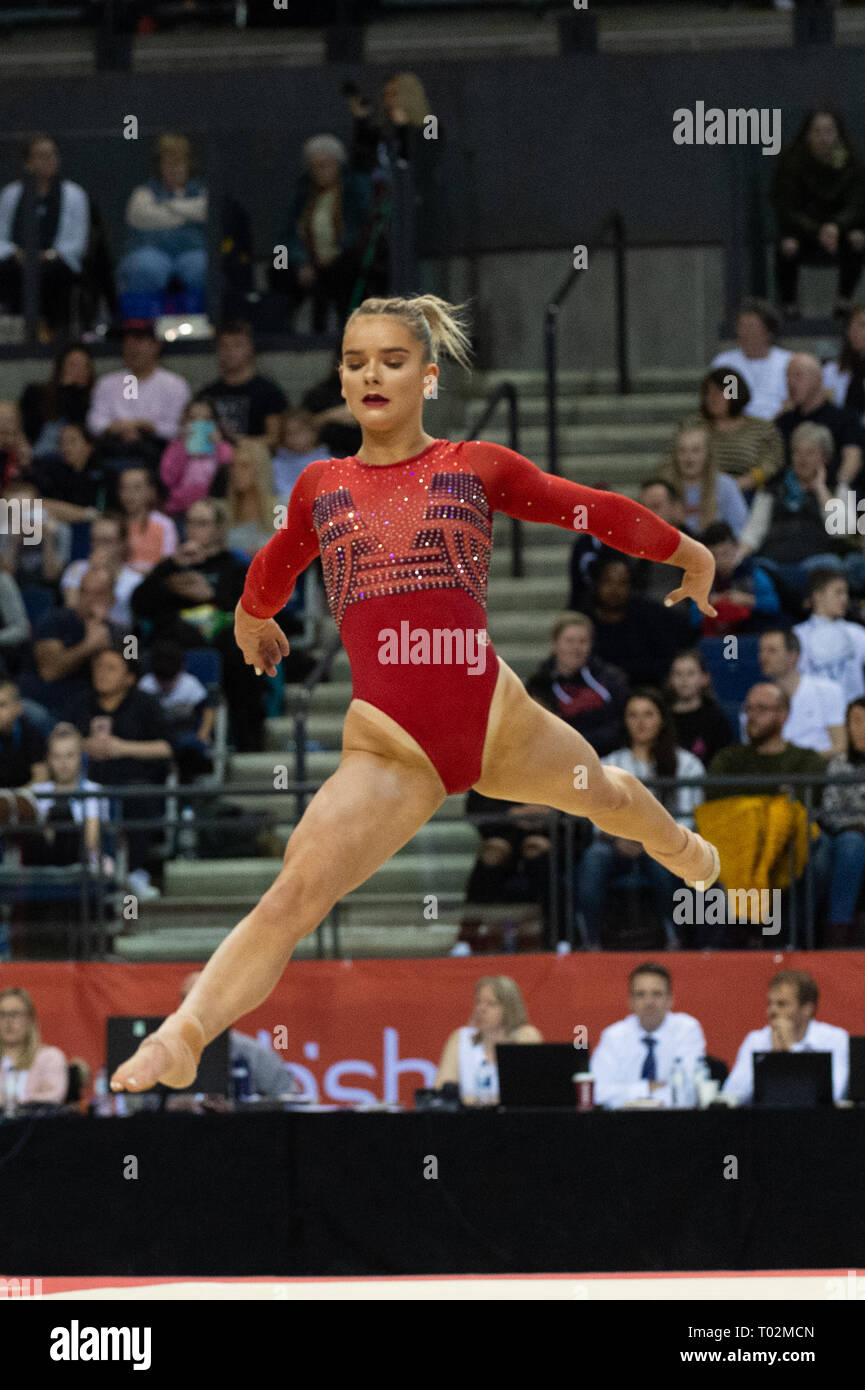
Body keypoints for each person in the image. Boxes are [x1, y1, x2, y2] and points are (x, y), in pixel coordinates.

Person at [109, 293, 721, 1094]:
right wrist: (251, 618)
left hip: (495, 715)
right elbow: (274, 561)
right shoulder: (322, 486)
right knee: (295, 891)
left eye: (392, 361)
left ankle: (680, 849)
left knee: (604, 794)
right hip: (392, 750)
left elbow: (586, 508)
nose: (372, 374)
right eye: (356, 361)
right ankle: (186, 1033)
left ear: (428, 377)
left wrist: (686, 552)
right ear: (339, 376)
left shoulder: (474, 467)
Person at [130, 497, 264, 752]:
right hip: (174, 642)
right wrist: (171, 566)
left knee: (243, 653)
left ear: (219, 528)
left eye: (202, 523)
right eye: (190, 523)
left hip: (222, 641)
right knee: (154, 639)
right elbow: (139, 604)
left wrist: (210, 595)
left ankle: (247, 741)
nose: (193, 529)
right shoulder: (172, 566)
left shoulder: (234, 567)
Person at [575, 688, 705, 949]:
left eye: (648, 714)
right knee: (594, 857)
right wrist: (618, 837)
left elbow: (689, 819)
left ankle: (674, 938)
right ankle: (590, 941)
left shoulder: (687, 764)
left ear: (662, 720)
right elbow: (595, 813)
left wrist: (648, 841)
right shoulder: (609, 763)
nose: (640, 722)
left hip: (666, 847)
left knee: (662, 863)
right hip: (616, 844)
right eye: (633, 715)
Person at [66, 645, 173, 896]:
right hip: (87, 783)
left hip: (133, 782)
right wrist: (83, 745)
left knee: (138, 797)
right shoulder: (81, 702)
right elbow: (59, 738)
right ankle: (88, 873)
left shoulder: (145, 704)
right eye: (99, 666)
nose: (102, 673)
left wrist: (122, 747)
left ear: (129, 678)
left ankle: (133, 873)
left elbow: (167, 747)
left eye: (111, 668)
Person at [770, 108, 865, 322]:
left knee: (858, 240)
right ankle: (789, 304)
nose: (823, 138)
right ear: (807, 134)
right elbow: (787, 207)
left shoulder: (852, 162)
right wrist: (817, 230)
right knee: (787, 246)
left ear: (838, 134)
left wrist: (836, 226)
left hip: (840, 232)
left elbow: (857, 203)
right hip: (803, 234)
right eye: (817, 131)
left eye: (829, 131)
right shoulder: (792, 162)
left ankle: (844, 302)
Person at [271, 135, 372, 333]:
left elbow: (361, 229)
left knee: (345, 272)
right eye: (315, 166)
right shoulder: (302, 194)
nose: (320, 171)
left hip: (341, 259)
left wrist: (336, 255)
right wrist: (301, 262)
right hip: (309, 262)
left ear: (338, 164)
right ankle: (283, 331)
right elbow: (286, 234)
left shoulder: (352, 192)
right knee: (278, 267)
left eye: (326, 165)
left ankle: (344, 331)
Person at [735, 423, 850, 596]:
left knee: (831, 566)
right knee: (753, 571)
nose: (802, 459)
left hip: (817, 565)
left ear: (825, 457)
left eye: (810, 453)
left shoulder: (837, 487)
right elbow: (753, 532)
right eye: (797, 452)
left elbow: (842, 530)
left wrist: (820, 489)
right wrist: (737, 558)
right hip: (774, 563)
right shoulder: (772, 487)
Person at [0, 133, 89, 336]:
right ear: (28, 162)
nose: (48, 161)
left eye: (52, 155)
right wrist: (16, 253)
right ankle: (14, 335)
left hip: (57, 262)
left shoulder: (74, 195)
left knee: (52, 274)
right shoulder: (10, 194)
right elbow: (1, 235)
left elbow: (78, 243)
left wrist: (48, 255)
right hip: (18, 261)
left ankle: (57, 335)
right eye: (41, 155)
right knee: (11, 272)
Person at [589, 962, 707, 1110]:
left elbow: (688, 1092)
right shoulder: (613, 1036)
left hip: (675, 1122)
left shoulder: (687, 1029)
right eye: (640, 995)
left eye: (656, 994)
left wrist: (626, 1094)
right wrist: (647, 1088)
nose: (649, 1002)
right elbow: (597, 1092)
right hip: (622, 1124)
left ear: (670, 1000)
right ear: (630, 1002)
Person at [723, 970, 849, 1104]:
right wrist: (770, 1059)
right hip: (764, 1121)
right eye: (770, 1004)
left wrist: (792, 1052)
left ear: (807, 1009)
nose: (772, 1011)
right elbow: (730, 1095)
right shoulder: (756, 1040)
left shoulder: (835, 1039)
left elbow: (835, 1093)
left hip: (819, 1122)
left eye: (781, 1004)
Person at [117, 133, 208, 318]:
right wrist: (186, 213)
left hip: (193, 252)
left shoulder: (201, 191)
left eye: (179, 163)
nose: (174, 169)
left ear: (188, 164)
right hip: (150, 251)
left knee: (202, 267)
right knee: (144, 267)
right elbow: (140, 217)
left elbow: (204, 211)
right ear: (160, 166)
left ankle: (200, 328)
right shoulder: (143, 192)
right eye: (168, 163)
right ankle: (142, 330)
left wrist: (167, 205)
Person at [20, 564, 122, 719]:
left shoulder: (127, 634)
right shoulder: (53, 620)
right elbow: (49, 672)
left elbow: (131, 675)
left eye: (99, 594)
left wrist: (104, 643)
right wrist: (89, 645)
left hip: (91, 711)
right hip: (44, 704)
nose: (90, 600)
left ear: (112, 598)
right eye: (85, 592)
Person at [179, 970, 300, 1098]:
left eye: (204, 1000)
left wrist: (240, 1109)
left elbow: (290, 1101)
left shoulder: (257, 1055)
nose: (194, 1008)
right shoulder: (161, 1054)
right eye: (187, 999)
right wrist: (168, 1107)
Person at [525, 611, 628, 757]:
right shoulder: (539, 684)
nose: (576, 648)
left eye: (582, 641)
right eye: (569, 641)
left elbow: (621, 724)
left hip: (609, 758)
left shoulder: (612, 679)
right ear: (555, 644)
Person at [707, 683, 826, 807]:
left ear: (783, 714)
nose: (752, 715)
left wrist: (745, 797)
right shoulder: (727, 759)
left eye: (761, 708)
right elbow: (717, 804)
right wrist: (778, 794)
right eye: (749, 708)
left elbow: (799, 806)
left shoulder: (805, 760)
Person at [86, 324, 191, 465]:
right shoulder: (107, 383)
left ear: (156, 345)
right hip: (114, 448)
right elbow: (94, 422)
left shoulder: (175, 384)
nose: (132, 348)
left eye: (139, 341)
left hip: (159, 451)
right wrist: (120, 427)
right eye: (127, 343)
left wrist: (147, 427)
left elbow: (178, 428)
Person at [585, 555, 693, 687]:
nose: (614, 589)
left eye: (622, 583)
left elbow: (668, 658)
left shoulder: (650, 615)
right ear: (597, 583)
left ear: (631, 586)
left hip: (648, 690)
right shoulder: (584, 620)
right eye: (608, 581)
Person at [433, 976, 542, 1106]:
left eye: (491, 1003)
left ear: (509, 1009)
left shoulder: (526, 1037)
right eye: (478, 1002)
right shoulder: (460, 1039)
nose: (481, 1009)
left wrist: (472, 1100)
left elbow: (532, 1093)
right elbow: (442, 1091)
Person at [25, 723, 108, 871]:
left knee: (62, 814)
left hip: (82, 862)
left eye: (70, 755)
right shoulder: (36, 792)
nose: (63, 763)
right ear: (48, 759)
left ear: (81, 757)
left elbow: (91, 842)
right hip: (42, 862)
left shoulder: (94, 791)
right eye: (57, 756)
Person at [775, 352, 865, 488]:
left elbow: (852, 459)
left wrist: (838, 491)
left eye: (798, 375)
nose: (790, 382)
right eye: (787, 376)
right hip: (790, 495)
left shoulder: (845, 418)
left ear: (818, 379)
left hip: (832, 493)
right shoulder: (783, 421)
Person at [690, 367, 785, 493]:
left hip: (749, 493)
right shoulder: (693, 426)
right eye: (709, 392)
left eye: (720, 392)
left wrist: (744, 483)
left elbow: (772, 463)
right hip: (700, 492)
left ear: (735, 393)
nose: (713, 397)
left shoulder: (762, 428)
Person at [196, 321, 287, 451]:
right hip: (214, 463)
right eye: (224, 346)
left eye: (237, 345)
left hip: (254, 463)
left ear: (250, 348)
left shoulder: (269, 392)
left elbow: (274, 439)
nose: (230, 351)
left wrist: (233, 442)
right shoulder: (207, 394)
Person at [818, 696, 865, 945]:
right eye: (854, 721)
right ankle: (838, 929)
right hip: (845, 836)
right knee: (851, 843)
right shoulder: (839, 765)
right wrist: (858, 826)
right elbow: (830, 811)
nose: (860, 728)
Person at [758, 627, 846, 758]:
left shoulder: (828, 690)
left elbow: (841, 746)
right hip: (776, 772)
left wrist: (802, 763)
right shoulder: (757, 699)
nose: (763, 657)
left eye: (772, 651)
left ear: (793, 656)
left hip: (820, 771)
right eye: (761, 650)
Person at [139, 639, 215, 782]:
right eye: (161, 681)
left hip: (184, 732)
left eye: (170, 681)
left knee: (191, 755)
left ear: (180, 670)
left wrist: (204, 733)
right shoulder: (146, 685)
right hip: (156, 736)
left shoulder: (189, 685)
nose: (166, 686)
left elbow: (208, 709)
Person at [661, 422, 749, 537]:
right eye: (682, 451)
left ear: (708, 454)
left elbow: (740, 529)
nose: (689, 458)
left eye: (696, 450)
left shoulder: (725, 485)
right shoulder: (663, 487)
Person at [710, 300, 792, 421]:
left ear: (768, 332)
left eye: (752, 327)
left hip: (780, 423)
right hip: (740, 428)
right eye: (741, 326)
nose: (745, 333)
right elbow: (728, 401)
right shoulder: (726, 363)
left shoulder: (788, 361)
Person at [794, 570, 865, 706]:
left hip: (855, 716)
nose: (845, 599)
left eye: (846, 593)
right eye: (838, 592)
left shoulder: (857, 632)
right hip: (815, 711)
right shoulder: (798, 635)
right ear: (818, 595)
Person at [59, 513, 143, 626]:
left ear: (122, 543)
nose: (99, 546)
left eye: (107, 541)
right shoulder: (77, 568)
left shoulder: (135, 580)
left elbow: (132, 624)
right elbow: (72, 609)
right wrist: (93, 570)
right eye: (95, 540)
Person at [701, 520, 781, 636]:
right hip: (717, 635)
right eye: (714, 556)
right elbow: (693, 618)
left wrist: (748, 600)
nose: (721, 561)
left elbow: (774, 605)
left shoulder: (753, 574)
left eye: (725, 554)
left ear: (735, 548)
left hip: (751, 632)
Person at [19, 341, 94, 456]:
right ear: (60, 368)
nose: (80, 371)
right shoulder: (36, 393)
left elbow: (83, 427)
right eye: (73, 365)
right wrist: (63, 390)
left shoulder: (94, 399)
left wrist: (74, 392)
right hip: (39, 455)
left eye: (85, 366)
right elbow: (28, 429)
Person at [158, 399, 231, 516]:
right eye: (193, 419)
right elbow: (168, 479)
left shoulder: (223, 447)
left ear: (216, 423)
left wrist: (219, 445)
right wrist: (183, 448)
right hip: (181, 510)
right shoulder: (176, 447)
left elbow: (229, 476)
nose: (200, 424)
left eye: (207, 419)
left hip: (214, 511)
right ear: (184, 422)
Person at [664, 649, 735, 767]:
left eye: (690, 673)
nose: (683, 679)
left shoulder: (716, 719)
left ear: (705, 678)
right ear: (670, 679)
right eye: (678, 673)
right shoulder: (661, 717)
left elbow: (723, 762)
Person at [0, 987, 68, 1105]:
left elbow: (53, 1097)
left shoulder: (49, 1057)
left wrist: (6, 1102)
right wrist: (33, 1094)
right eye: (2, 1014)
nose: (8, 1021)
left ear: (30, 1019)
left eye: (15, 1014)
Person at [30, 422, 106, 522]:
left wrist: (66, 511)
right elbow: (42, 504)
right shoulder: (54, 473)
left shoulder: (105, 473)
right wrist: (86, 514)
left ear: (90, 445)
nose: (66, 447)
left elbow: (102, 514)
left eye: (72, 441)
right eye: (62, 442)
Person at [117, 465, 179, 574]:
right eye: (124, 488)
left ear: (151, 491)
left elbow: (167, 562)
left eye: (137, 487)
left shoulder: (165, 524)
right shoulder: (115, 523)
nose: (129, 494)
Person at [225, 437, 276, 559]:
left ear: (260, 469)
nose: (236, 472)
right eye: (233, 466)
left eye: (244, 466)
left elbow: (288, 548)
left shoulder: (280, 507)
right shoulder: (226, 511)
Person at [272, 408, 330, 500]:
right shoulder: (275, 465)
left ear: (313, 433)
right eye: (290, 433)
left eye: (300, 431)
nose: (295, 438)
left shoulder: (328, 463)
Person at [823, 302, 865, 427]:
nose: (855, 331)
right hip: (843, 433)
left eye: (863, 325)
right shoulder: (831, 370)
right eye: (852, 326)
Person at [0, 679, 47, 787]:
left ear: (18, 708)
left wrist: (15, 799)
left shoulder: (31, 733)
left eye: (2, 705)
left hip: (25, 799)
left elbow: (41, 777)